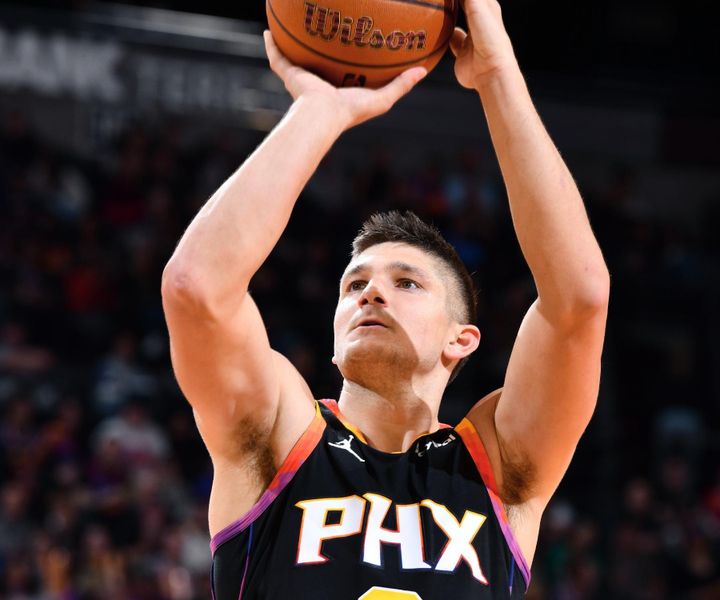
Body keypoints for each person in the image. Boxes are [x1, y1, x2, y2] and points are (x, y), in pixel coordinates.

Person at [161, 0, 609, 597]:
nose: (371, 291)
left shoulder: (498, 467)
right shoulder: (281, 436)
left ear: (462, 338)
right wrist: (318, 112)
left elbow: (579, 298)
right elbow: (197, 290)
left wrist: (498, 77)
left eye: (407, 283)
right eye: (355, 284)